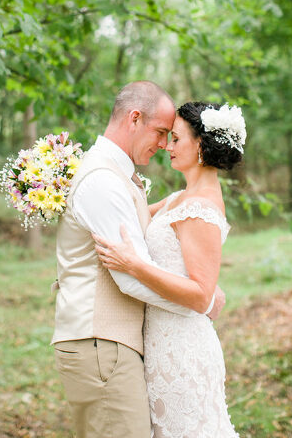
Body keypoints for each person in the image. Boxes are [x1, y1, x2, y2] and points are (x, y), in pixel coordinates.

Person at [51, 83, 225, 438]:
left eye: (173, 137)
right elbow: (129, 278)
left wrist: (198, 287)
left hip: (119, 345)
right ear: (134, 118)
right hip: (101, 343)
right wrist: (198, 301)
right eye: (162, 133)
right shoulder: (103, 181)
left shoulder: (121, 178)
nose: (164, 145)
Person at [94, 101, 245, 438]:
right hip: (160, 341)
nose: (167, 146)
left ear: (202, 146)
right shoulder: (180, 198)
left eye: (176, 139)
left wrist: (133, 265)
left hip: (183, 351)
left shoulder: (200, 209)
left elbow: (201, 295)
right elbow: (127, 215)